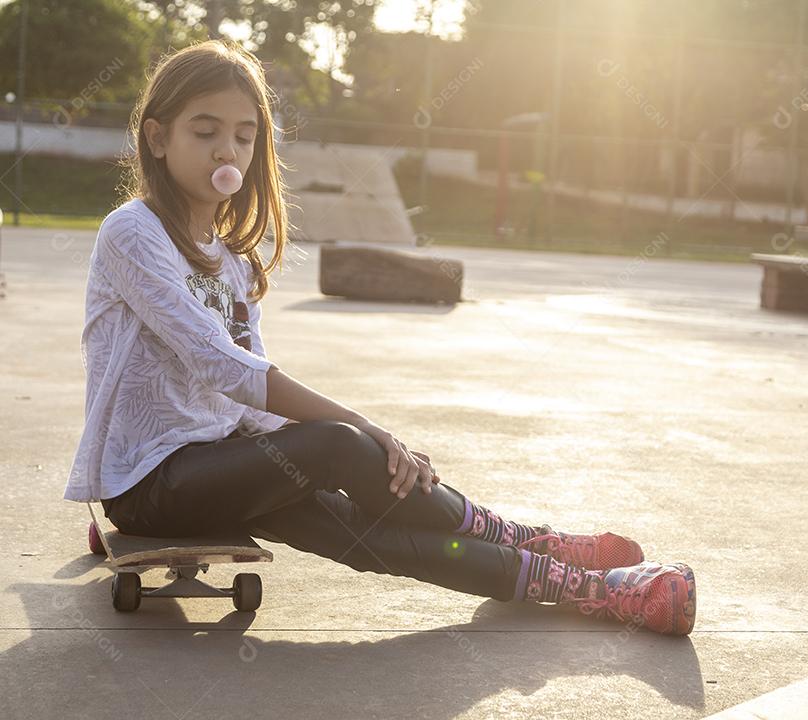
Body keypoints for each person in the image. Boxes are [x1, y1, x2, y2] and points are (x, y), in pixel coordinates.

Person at [63, 40, 695, 636]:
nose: (227, 151)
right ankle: (519, 537)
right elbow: (222, 366)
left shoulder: (229, 261)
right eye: (205, 132)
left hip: (222, 463)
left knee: (360, 535)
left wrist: (320, 450)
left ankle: (579, 583)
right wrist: (367, 432)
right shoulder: (133, 231)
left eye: (244, 136)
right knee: (339, 444)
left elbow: (247, 399)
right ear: (157, 136)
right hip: (148, 482)